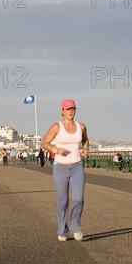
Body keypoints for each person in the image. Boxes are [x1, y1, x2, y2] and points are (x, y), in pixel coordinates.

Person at [42, 99, 89, 242]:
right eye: (68, 109)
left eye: (73, 109)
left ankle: (75, 227)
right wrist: (56, 150)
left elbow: (85, 140)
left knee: (78, 199)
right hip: (60, 167)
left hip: (77, 167)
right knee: (63, 200)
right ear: (62, 110)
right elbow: (45, 143)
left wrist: (86, 149)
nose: (71, 111)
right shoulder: (57, 127)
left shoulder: (81, 126)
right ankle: (62, 230)